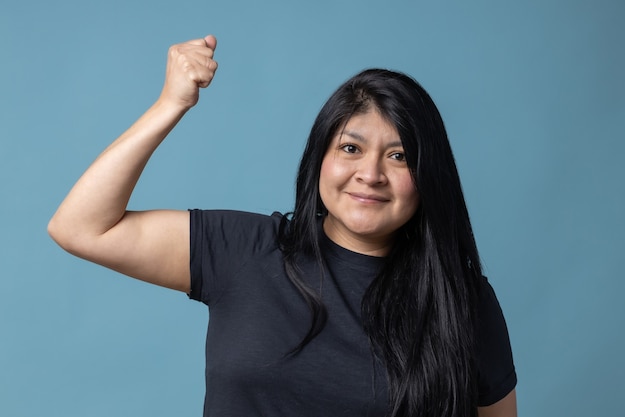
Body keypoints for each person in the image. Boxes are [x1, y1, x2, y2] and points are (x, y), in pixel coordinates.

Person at [48, 35, 517, 417]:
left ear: (427, 176)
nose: (370, 174)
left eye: (398, 156)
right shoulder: (245, 251)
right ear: (319, 161)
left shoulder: (461, 299)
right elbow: (80, 227)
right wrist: (171, 104)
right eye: (351, 149)